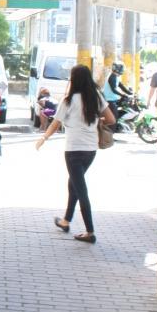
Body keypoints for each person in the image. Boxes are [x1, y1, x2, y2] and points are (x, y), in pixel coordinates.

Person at [36, 64, 115, 244]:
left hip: (73, 150)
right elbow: (111, 119)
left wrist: (43, 138)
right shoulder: (96, 97)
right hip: (91, 150)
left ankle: (90, 231)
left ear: (74, 80)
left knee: (81, 190)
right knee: (73, 183)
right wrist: (96, 120)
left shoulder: (68, 100)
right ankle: (66, 221)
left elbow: (55, 123)